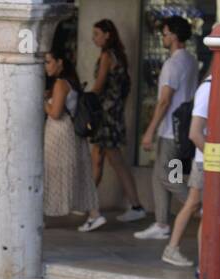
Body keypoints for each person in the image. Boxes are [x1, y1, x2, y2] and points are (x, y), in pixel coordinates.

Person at [161, 68, 220, 270]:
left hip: (213, 160)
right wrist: (219, 162)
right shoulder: (209, 89)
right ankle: (208, 263)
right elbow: (195, 133)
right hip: (209, 161)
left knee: (194, 204)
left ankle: (176, 249)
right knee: (202, 206)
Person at [135, 16, 197, 242]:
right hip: (181, 131)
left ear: (173, 35)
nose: (163, 37)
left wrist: (150, 129)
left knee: (167, 176)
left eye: (165, 33)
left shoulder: (173, 64)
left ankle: (199, 206)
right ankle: (161, 222)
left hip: (171, 131)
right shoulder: (190, 60)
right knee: (161, 175)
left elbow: (164, 101)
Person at [88, 19, 145, 223]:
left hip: (105, 116)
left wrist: (85, 99)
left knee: (106, 160)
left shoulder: (106, 56)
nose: (93, 38)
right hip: (114, 114)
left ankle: (91, 207)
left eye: (96, 34)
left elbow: (99, 85)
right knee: (103, 160)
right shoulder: (119, 57)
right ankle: (92, 205)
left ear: (107, 35)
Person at [43, 50, 101, 230]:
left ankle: (39, 216)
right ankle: (94, 214)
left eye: (48, 62)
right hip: (71, 132)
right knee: (81, 174)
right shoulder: (70, 82)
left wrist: (42, 100)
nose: (46, 66)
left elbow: (55, 113)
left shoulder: (60, 84)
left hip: (60, 132)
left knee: (51, 172)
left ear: (60, 62)